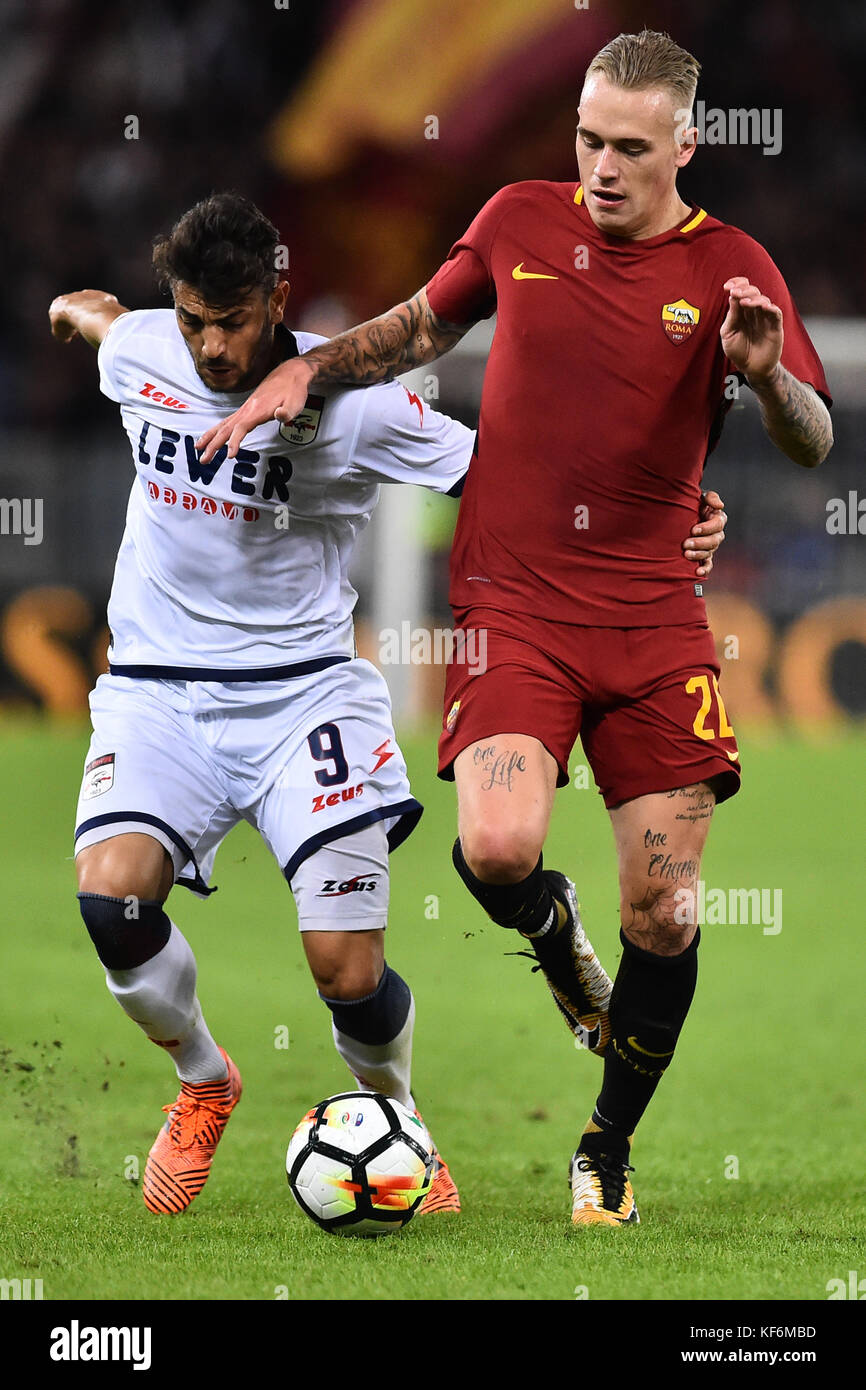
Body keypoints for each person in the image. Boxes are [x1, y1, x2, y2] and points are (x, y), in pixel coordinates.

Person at [198, 30, 832, 1227]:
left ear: (683, 146)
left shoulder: (735, 265)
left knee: (670, 912)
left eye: (629, 148)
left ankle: (604, 1144)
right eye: (588, 137)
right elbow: (415, 330)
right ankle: (553, 934)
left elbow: (811, 435)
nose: (599, 165)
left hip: (652, 622)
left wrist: (762, 376)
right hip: (514, 610)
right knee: (494, 848)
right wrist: (304, 373)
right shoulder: (516, 222)